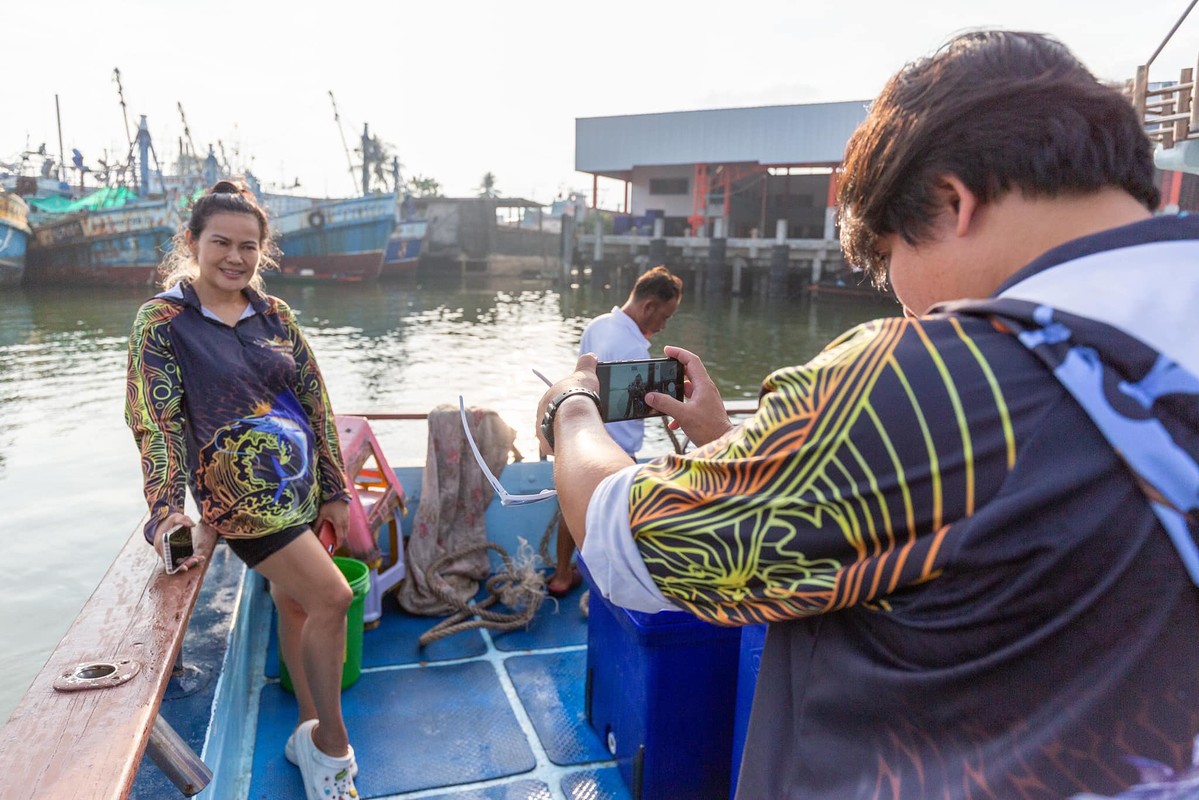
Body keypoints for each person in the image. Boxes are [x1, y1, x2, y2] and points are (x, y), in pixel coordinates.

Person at [537, 31, 1199, 798]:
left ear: (956, 201)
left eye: (889, 258)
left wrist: (572, 407)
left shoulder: (930, 383)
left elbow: (623, 546)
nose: (908, 299)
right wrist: (730, 442)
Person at [125, 180, 360, 800]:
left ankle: (306, 728)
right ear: (192, 243)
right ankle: (333, 756)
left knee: (297, 604)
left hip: (302, 489)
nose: (235, 257)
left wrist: (335, 485)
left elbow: (315, 396)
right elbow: (157, 421)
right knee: (333, 599)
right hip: (243, 498)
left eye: (248, 246)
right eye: (221, 243)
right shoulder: (164, 321)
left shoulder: (274, 313)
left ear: (264, 251)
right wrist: (165, 511)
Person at [546, 265, 682, 598]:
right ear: (648, 306)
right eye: (664, 317)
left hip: (580, 438)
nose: (663, 326)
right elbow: (639, 404)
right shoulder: (635, 350)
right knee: (612, 525)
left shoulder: (597, 325)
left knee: (570, 507)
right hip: (616, 450)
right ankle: (606, 591)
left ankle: (563, 573)